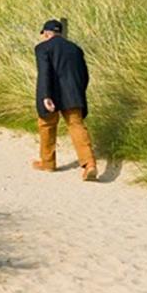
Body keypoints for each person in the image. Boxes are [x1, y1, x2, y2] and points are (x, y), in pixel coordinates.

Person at [32, 20, 96, 180]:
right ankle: (89, 164)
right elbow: (84, 74)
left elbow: (44, 72)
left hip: (51, 94)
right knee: (77, 126)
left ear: (46, 33)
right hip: (72, 94)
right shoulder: (75, 48)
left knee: (46, 125)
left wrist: (46, 95)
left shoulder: (42, 48)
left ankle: (47, 163)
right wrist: (79, 91)